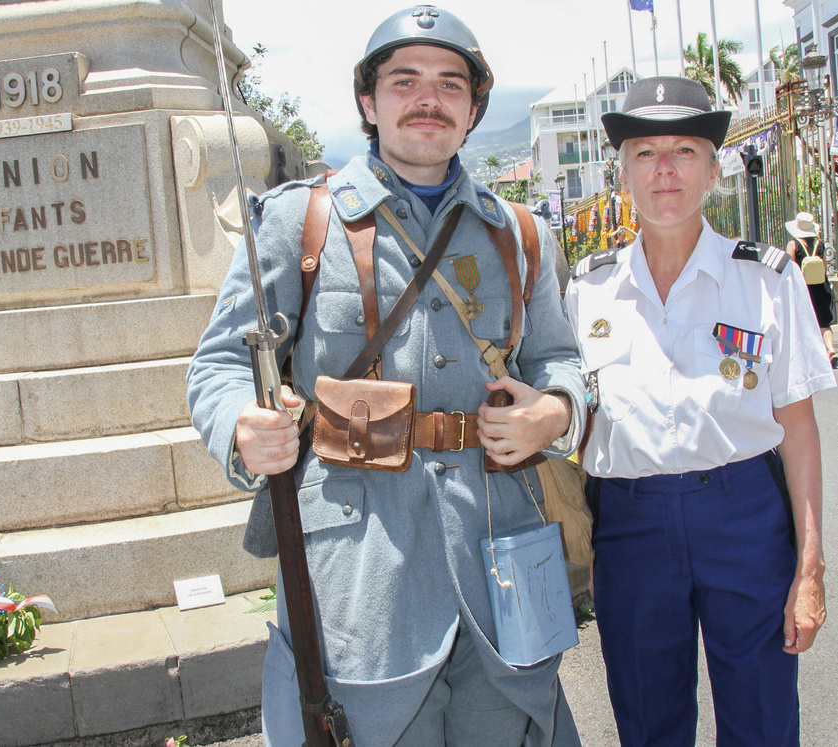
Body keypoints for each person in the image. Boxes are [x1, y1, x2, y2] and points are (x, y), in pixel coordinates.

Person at [187, 5, 586, 745]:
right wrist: (241, 424)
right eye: (404, 81)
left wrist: (555, 411)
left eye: (449, 83)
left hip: (500, 555)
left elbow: (560, 361)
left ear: (472, 109)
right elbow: (217, 362)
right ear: (368, 103)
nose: (427, 98)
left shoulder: (520, 233)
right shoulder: (296, 223)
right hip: (358, 578)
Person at [564, 76, 835, 747]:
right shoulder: (584, 291)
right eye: (645, 152)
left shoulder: (765, 281)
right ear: (620, 170)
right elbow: (573, 428)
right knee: (647, 721)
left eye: (684, 150)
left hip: (743, 516)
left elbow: (797, 430)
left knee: (762, 721)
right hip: (629, 524)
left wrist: (809, 568)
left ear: (713, 170)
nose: (664, 169)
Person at [785, 211, 837, 367]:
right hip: (821, 288)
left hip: (803, 289)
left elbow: (790, 267)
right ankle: (831, 350)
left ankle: (809, 355)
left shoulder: (793, 244)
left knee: (804, 322)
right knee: (824, 323)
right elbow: (825, 267)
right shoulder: (820, 244)